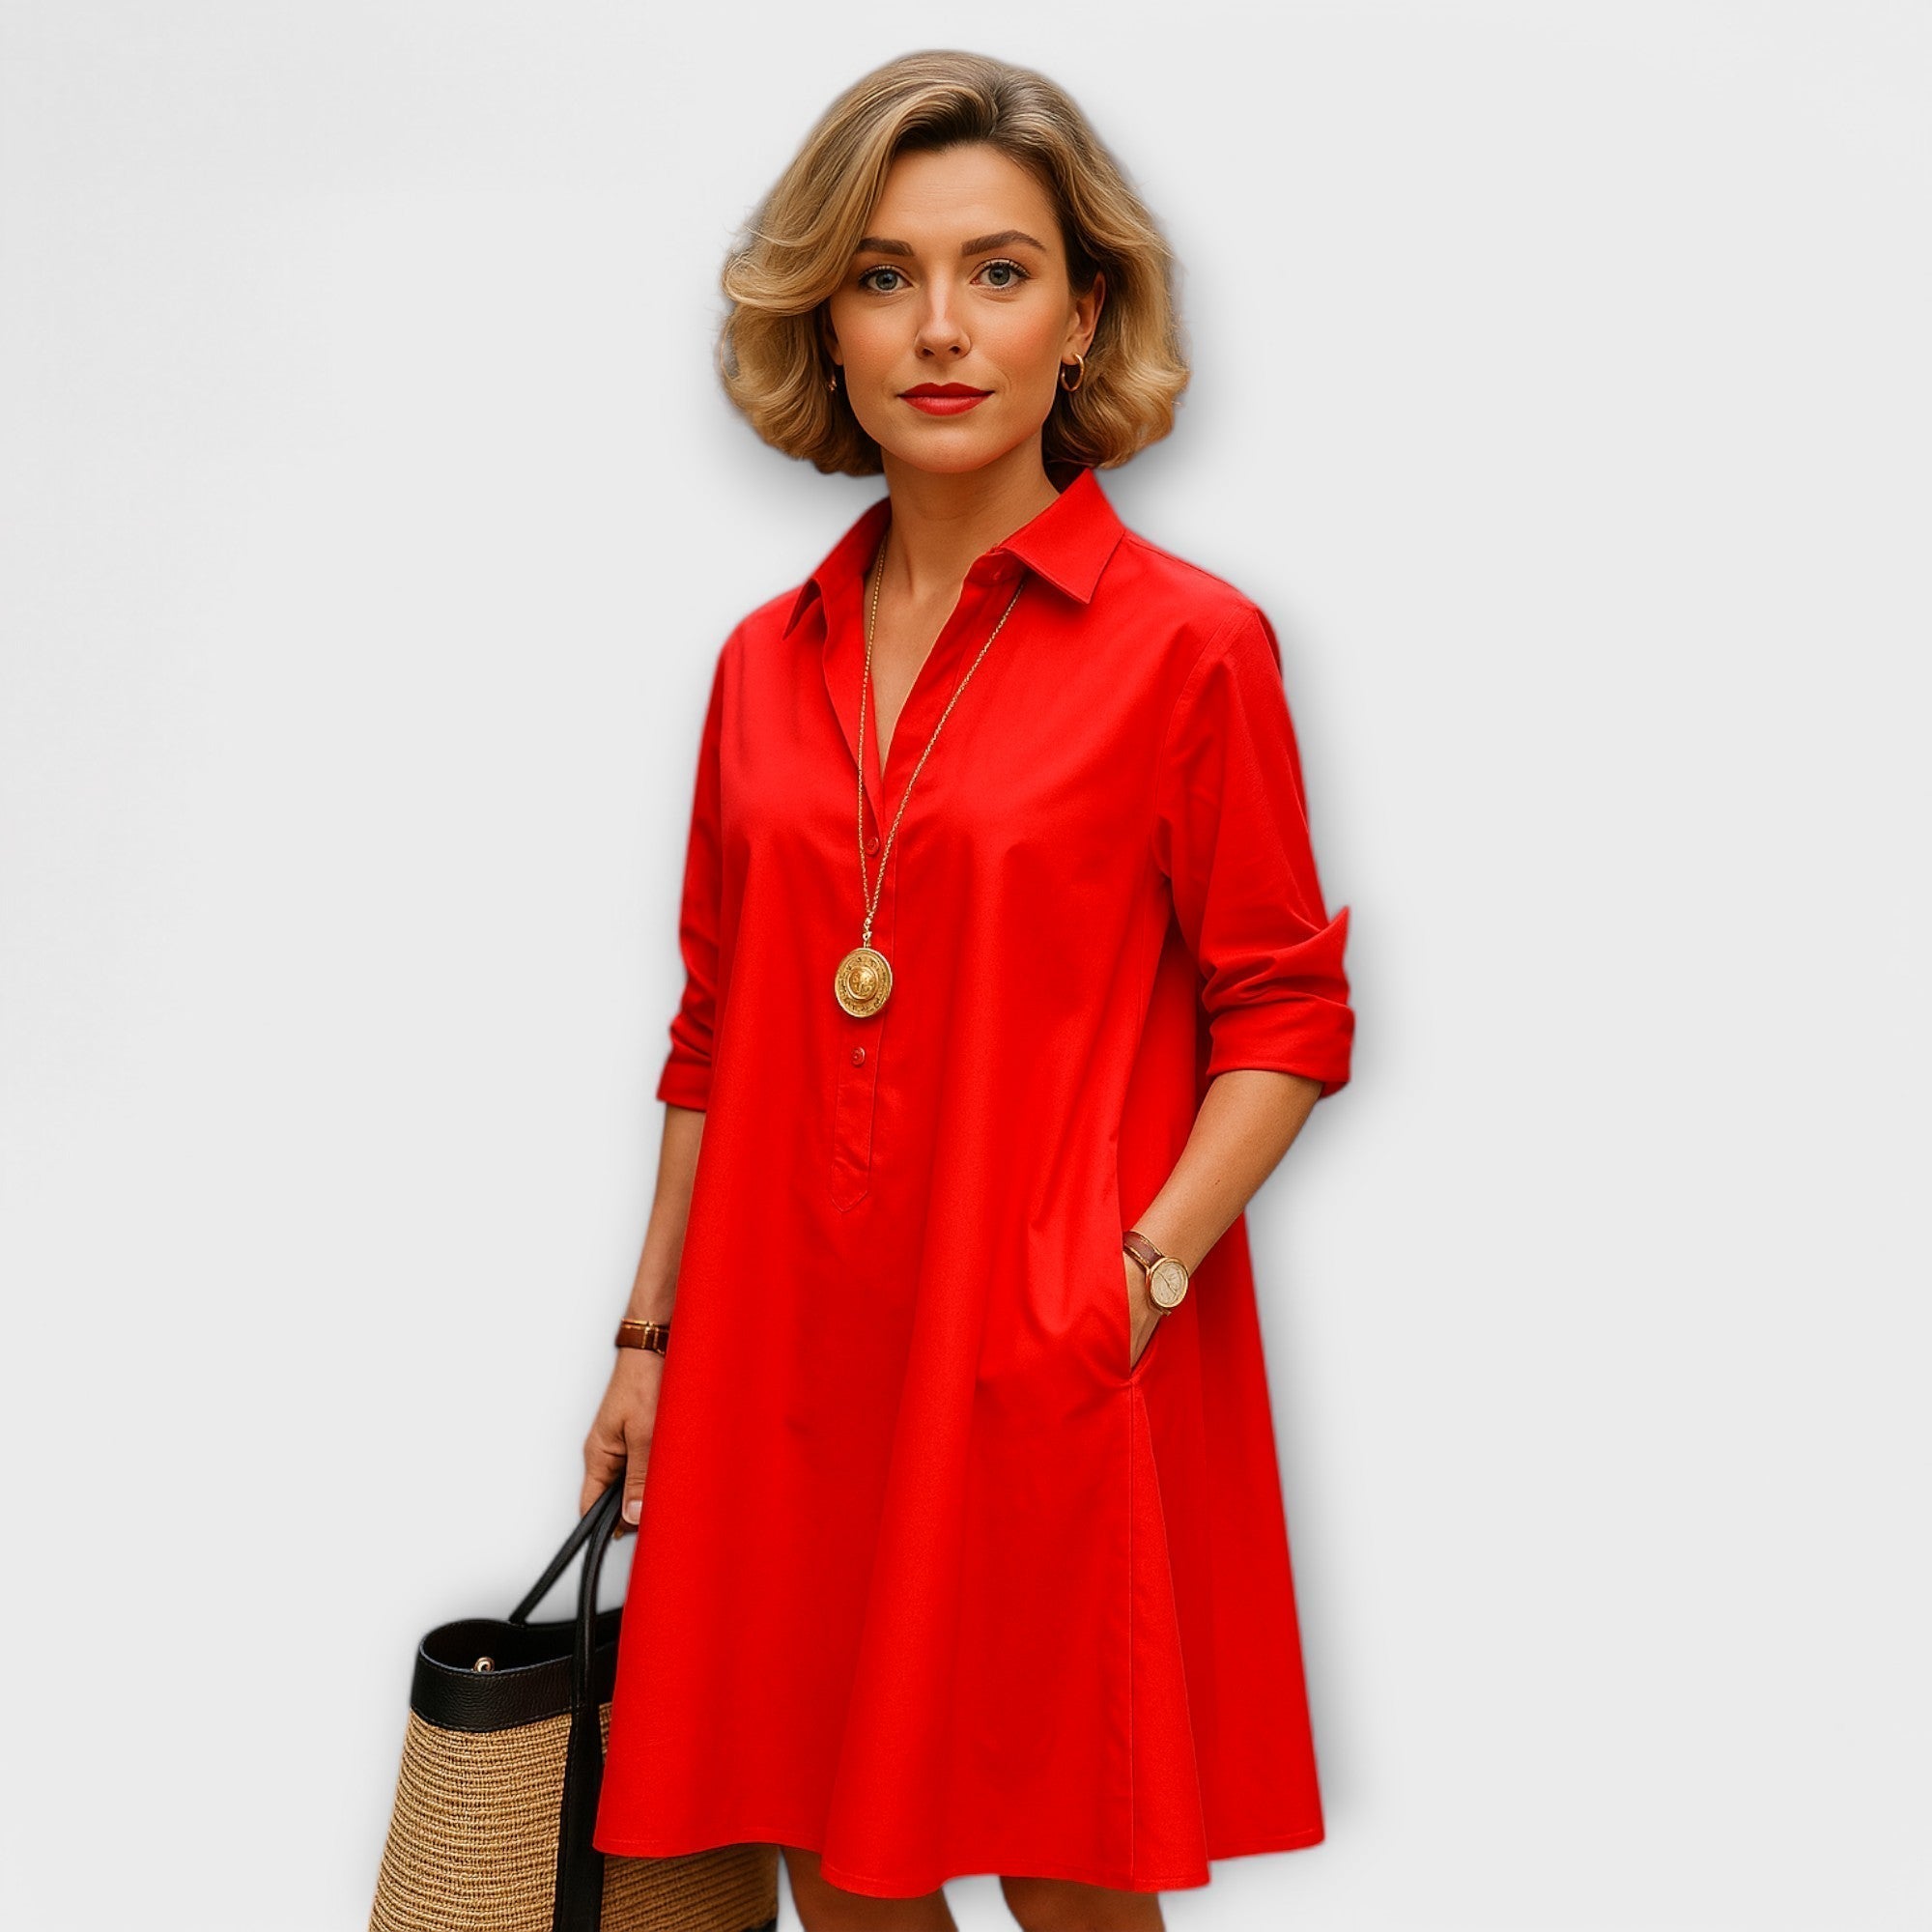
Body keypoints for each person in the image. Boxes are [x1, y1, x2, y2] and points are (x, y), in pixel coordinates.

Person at [581, 48, 1356, 1932]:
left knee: (1066, 1862)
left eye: (998, 272)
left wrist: (1130, 1281)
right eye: (884, 275)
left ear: (1082, 319)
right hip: (775, 1357)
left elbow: (1284, 1014)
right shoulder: (760, 663)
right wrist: (646, 1341)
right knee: (828, 1859)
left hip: (1031, 1353)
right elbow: (711, 1029)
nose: (940, 326)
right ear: (825, 327)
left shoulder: (1190, 648)